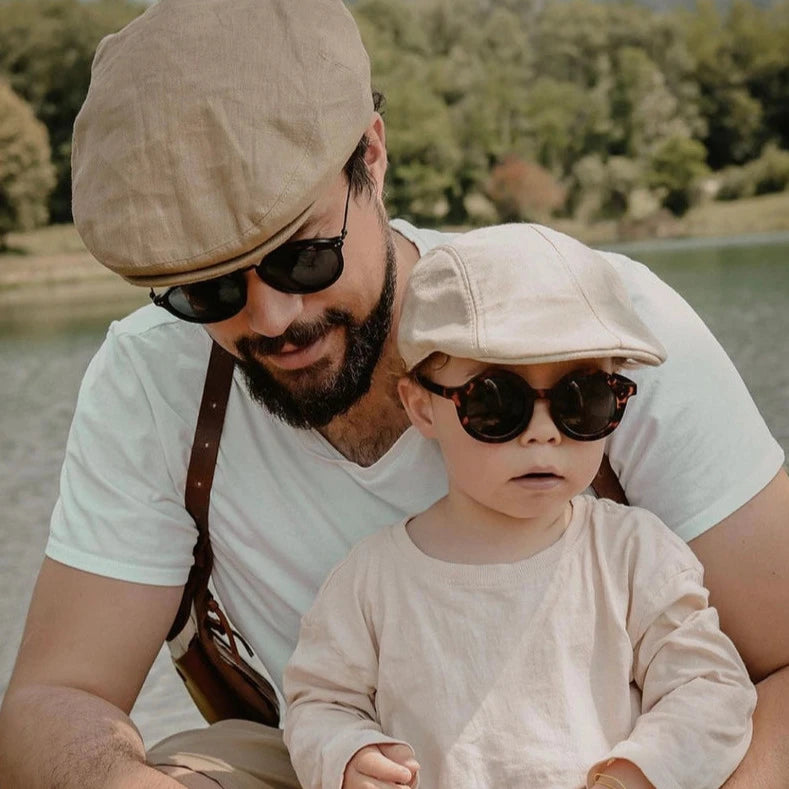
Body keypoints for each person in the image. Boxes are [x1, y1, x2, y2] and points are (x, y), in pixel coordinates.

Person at [0, 0, 786, 787]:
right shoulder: (153, 376)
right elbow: (55, 696)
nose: (272, 318)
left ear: (370, 156)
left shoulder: (601, 327)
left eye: (301, 257)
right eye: (205, 291)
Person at [282, 223, 758, 789]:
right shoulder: (371, 581)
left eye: (583, 400)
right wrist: (347, 755)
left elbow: (710, 687)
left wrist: (638, 773)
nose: (542, 434)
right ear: (422, 408)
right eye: (495, 402)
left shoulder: (633, 556)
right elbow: (317, 704)